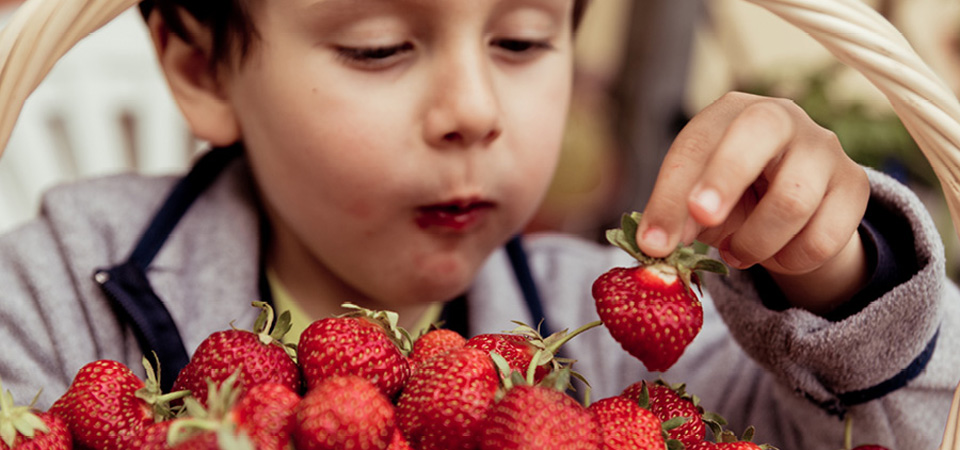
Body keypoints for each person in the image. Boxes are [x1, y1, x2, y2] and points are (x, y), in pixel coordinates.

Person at [0, 0, 956, 448]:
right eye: (378, 47)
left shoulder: (620, 345)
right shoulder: (58, 294)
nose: (473, 108)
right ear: (204, 69)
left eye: (521, 41)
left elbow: (888, 431)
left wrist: (835, 275)